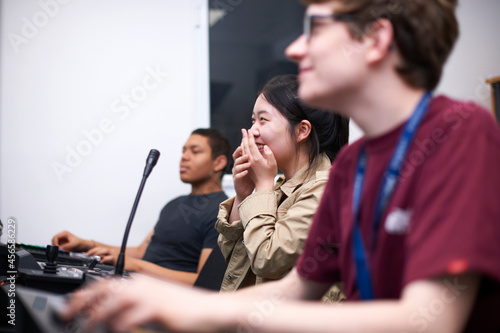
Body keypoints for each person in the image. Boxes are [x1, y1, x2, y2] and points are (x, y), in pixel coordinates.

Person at [62, 0, 500, 332]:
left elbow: (430, 320)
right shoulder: (353, 165)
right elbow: (295, 289)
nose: (294, 47)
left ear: (376, 39)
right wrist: (161, 297)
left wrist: (195, 307)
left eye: (314, 28)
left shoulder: (459, 130)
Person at [216, 74, 349, 291]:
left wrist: (262, 187)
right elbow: (235, 261)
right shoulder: (280, 186)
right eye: (253, 120)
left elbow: (265, 260)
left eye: (263, 120)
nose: (252, 131)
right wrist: (243, 195)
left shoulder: (326, 189)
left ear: (302, 130)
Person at [52, 128, 230, 285]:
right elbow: (141, 251)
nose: (184, 156)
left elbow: (203, 281)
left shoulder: (223, 212)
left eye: (195, 151)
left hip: (167, 299)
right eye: (183, 150)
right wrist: (85, 244)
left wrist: (136, 266)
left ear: (219, 162)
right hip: (138, 286)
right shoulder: (173, 204)